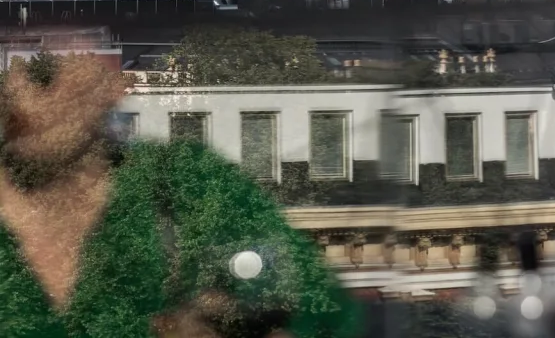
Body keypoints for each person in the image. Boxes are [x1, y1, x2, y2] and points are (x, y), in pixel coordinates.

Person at [0, 50, 362, 337]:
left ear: (104, 93)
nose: (20, 91)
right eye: (15, 73)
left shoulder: (184, 174)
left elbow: (329, 314)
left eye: (42, 76)